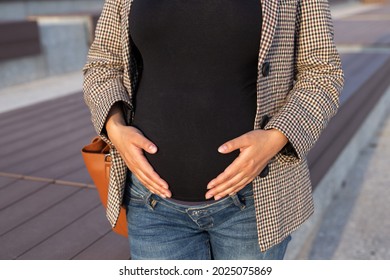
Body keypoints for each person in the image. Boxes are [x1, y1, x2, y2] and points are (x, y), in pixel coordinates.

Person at [83, 0, 344, 260]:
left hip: (253, 203)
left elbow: (322, 73)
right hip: (152, 205)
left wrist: (276, 138)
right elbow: (103, 65)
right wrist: (115, 128)